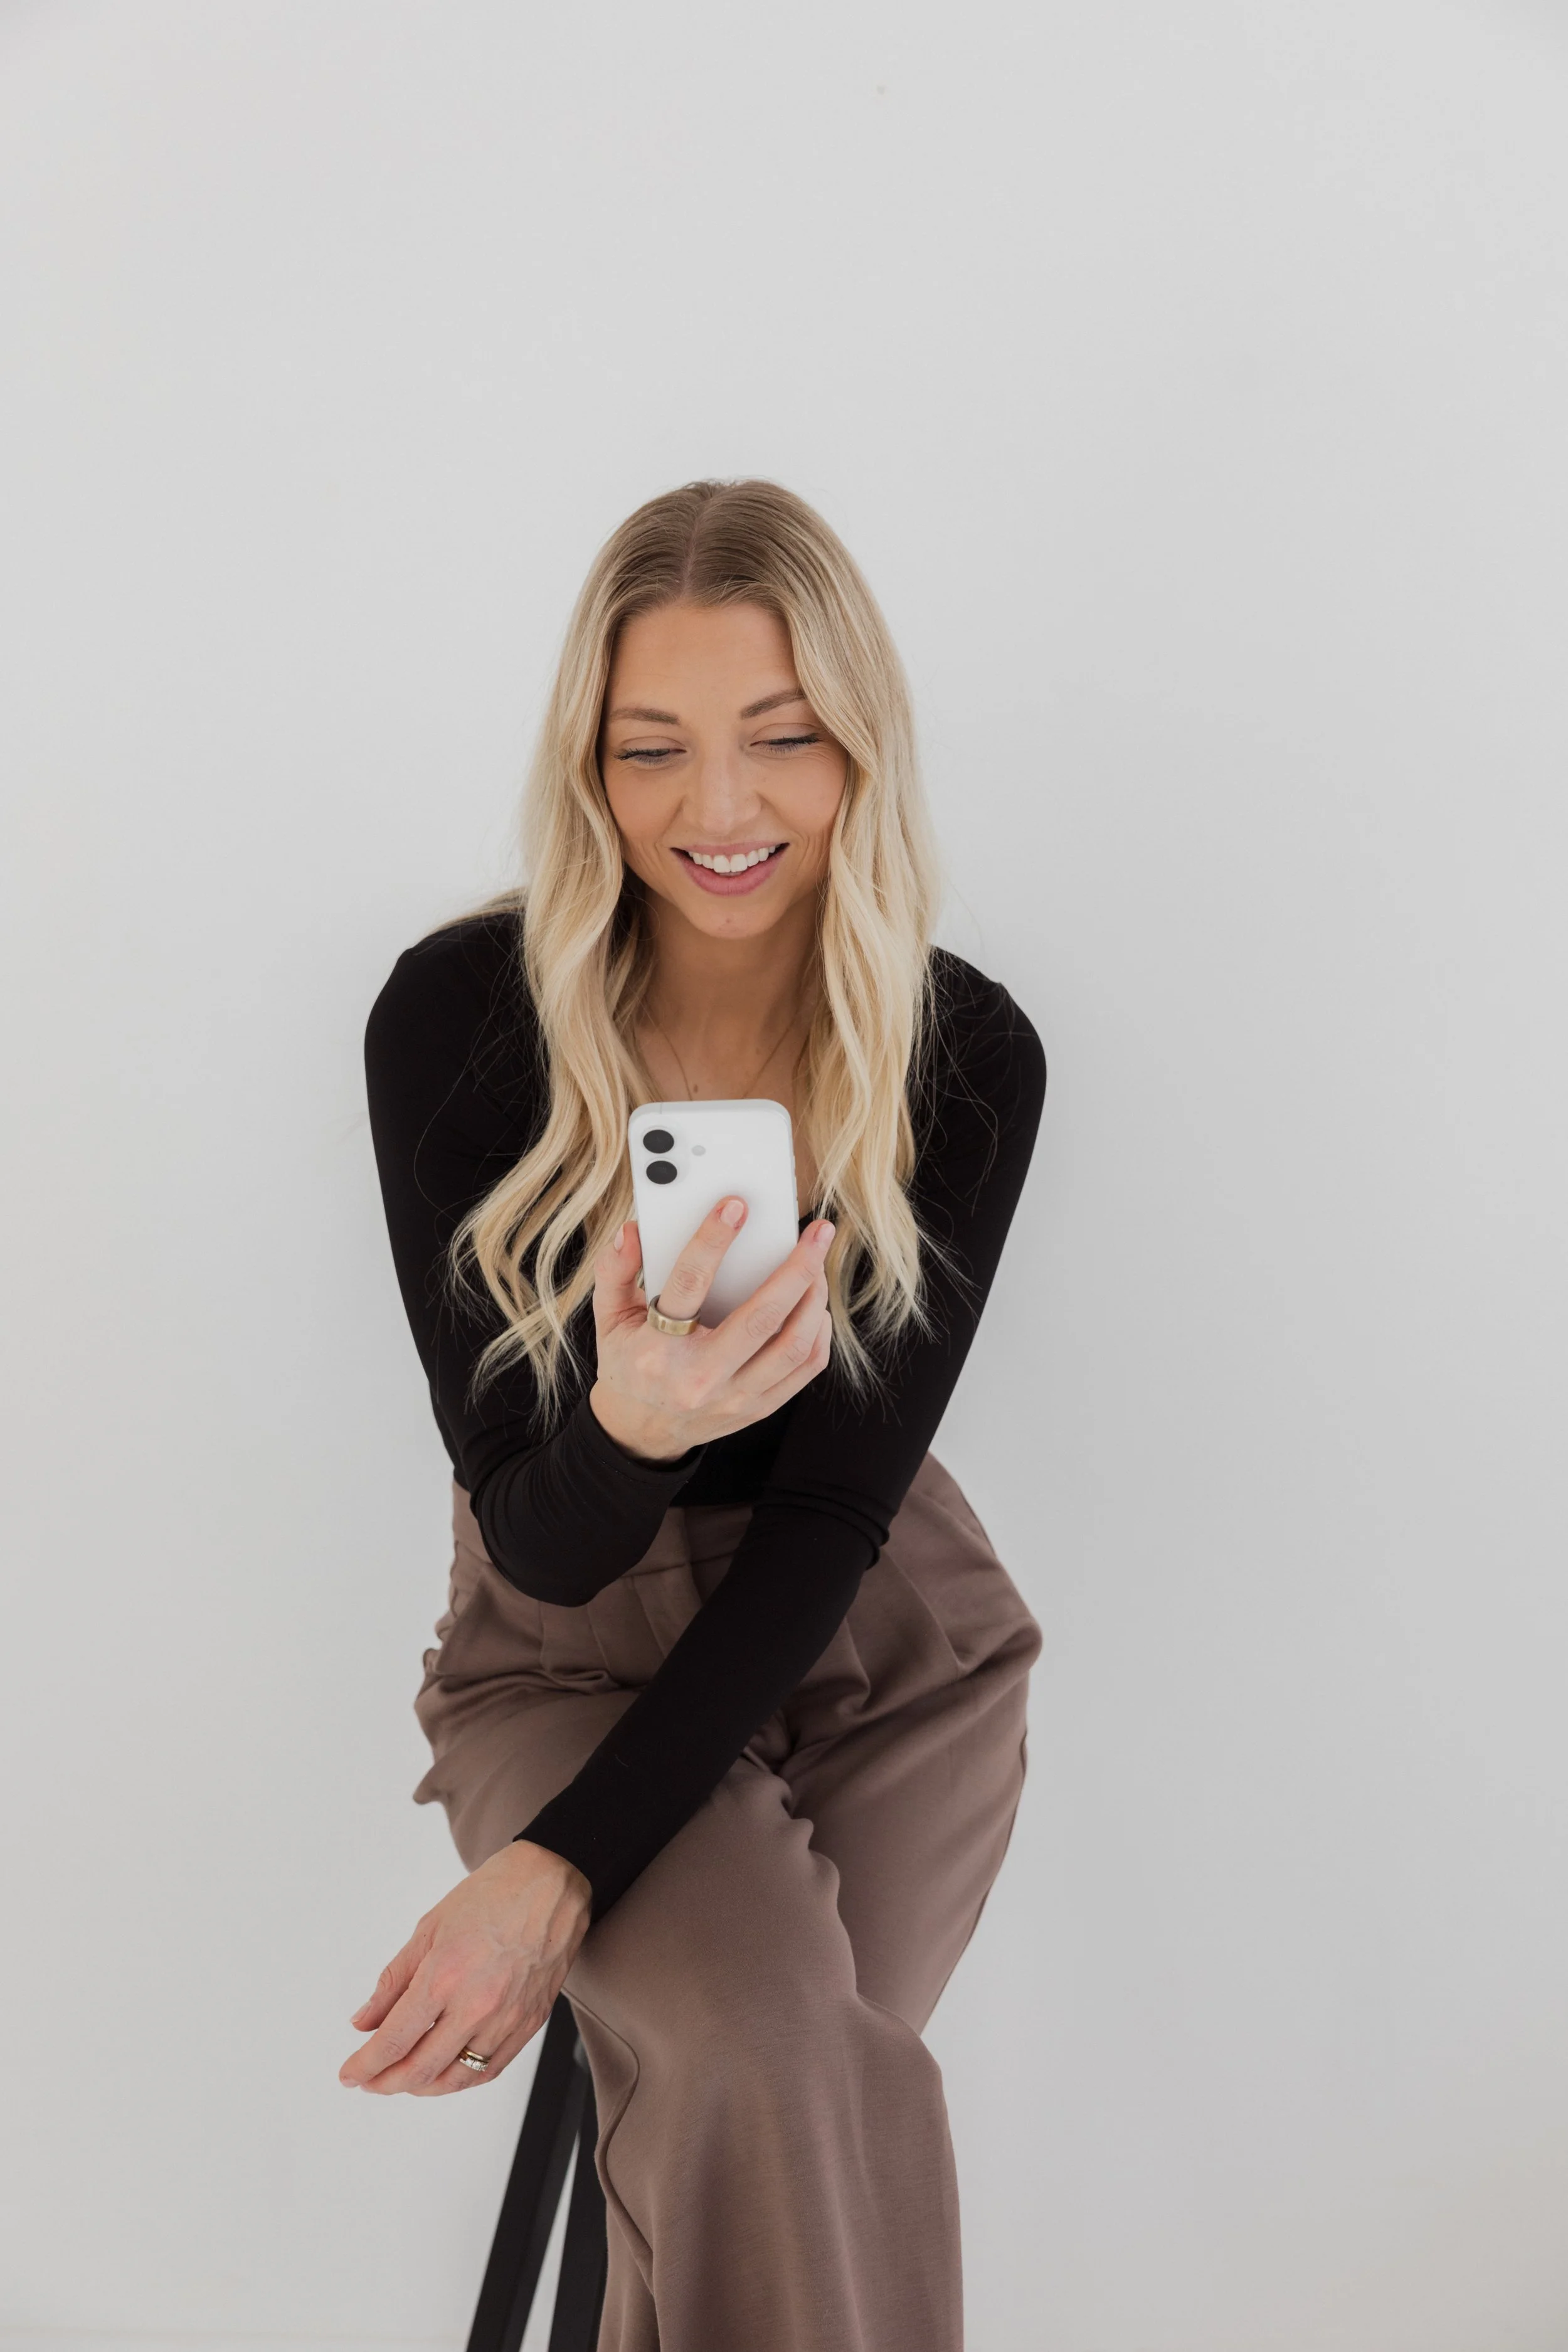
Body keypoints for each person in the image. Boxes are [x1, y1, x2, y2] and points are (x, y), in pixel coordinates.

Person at [344, 478, 1046, 2352]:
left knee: (769, 2129)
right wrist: (630, 1422)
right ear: (588, 764)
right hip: (560, 1647)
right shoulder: (461, 1019)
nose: (715, 809)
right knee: (775, 2077)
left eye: (780, 739)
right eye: (651, 747)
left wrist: (561, 1871)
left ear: (856, 751)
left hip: (881, 1645)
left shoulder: (959, 1051)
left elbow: (829, 1524)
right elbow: (540, 1532)